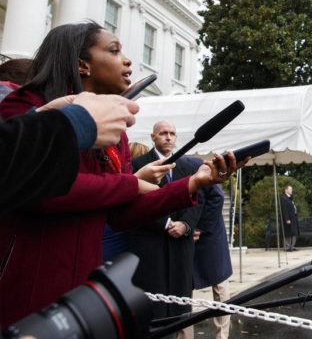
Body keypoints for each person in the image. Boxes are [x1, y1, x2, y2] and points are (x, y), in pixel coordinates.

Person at [0, 22, 240, 327]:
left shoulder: (118, 135)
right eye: (114, 50)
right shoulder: (27, 105)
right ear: (81, 64)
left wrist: (193, 183)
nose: (128, 60)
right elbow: (49, 192)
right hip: (25, 287)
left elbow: (122, 215)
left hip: (83, 294)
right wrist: (130, 183)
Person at [0, 92, 139, 211]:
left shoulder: (114, 130)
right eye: (115, 57)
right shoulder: (26, 97)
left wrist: (41, 115)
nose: (127, 61)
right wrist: (76, 123)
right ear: (81, 64)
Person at [129, 121, 202, 339]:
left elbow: (200, 200)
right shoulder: (138, 165)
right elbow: (135, 201)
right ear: (153, 137)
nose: (168, 137)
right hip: (152, 247)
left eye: (172, 133)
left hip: (181, 248)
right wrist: (167, 223)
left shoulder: (188, 167)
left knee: (180, 311)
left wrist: (186, 225)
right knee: (155, 312)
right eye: (163, 133)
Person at [192, 176, 233, 339]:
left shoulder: (200, 167)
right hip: (186, 233)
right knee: (184, 286)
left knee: (220, 285)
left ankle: (221, 336)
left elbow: (217, 197)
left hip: (211, 236)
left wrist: (200, 227)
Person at [280, 184, 299, 251]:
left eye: (291, 189)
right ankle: (287, 247)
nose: (291, 190)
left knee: (294, 232)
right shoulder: (283, 198)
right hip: (288, 219)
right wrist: (287, 219)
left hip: (293, 217)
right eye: (290, 189)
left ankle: (292, 246)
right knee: (287, 232)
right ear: (286, 190)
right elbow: (284, 209)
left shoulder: (290, 198)